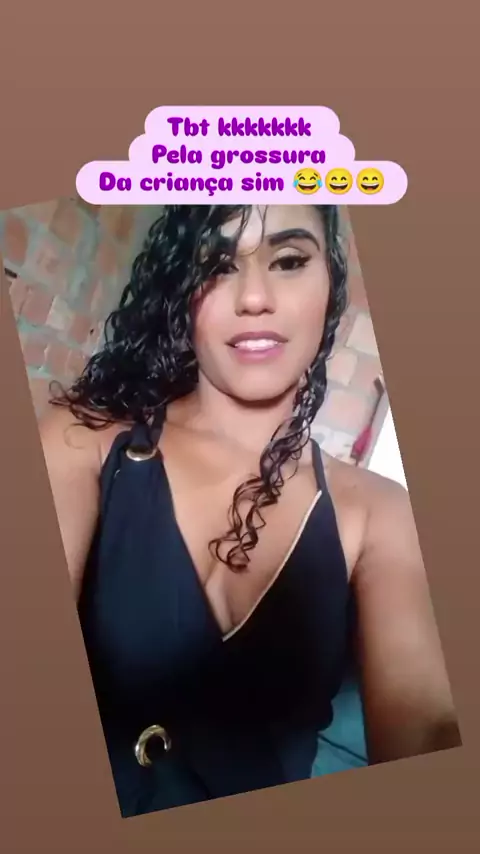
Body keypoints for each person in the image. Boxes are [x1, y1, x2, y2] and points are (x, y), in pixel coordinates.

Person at [39, 204, 460, 817]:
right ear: (182, 289)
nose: (255, 297)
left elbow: (427, 724)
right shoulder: (84, 438)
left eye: (288, 260)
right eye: (217, 264)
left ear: (330, 283)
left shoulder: (382, 514)